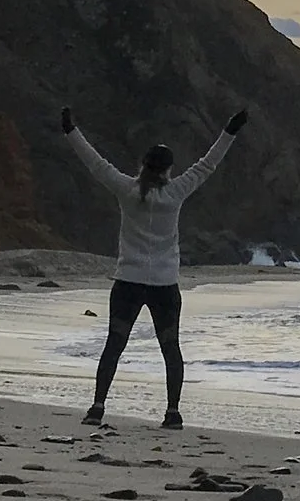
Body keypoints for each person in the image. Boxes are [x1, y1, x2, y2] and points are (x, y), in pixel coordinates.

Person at [61, 103, 247, 428]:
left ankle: (97, 406)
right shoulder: (176, 193)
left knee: (114, 345)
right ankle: (172, 412)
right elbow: (207, 166)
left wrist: (71, 131)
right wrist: (230, 131)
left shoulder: (126, 191)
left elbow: (95, 164)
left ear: (143, 165)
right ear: (169, 170)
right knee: (170, 348)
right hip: (164, 286)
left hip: (128, 283)